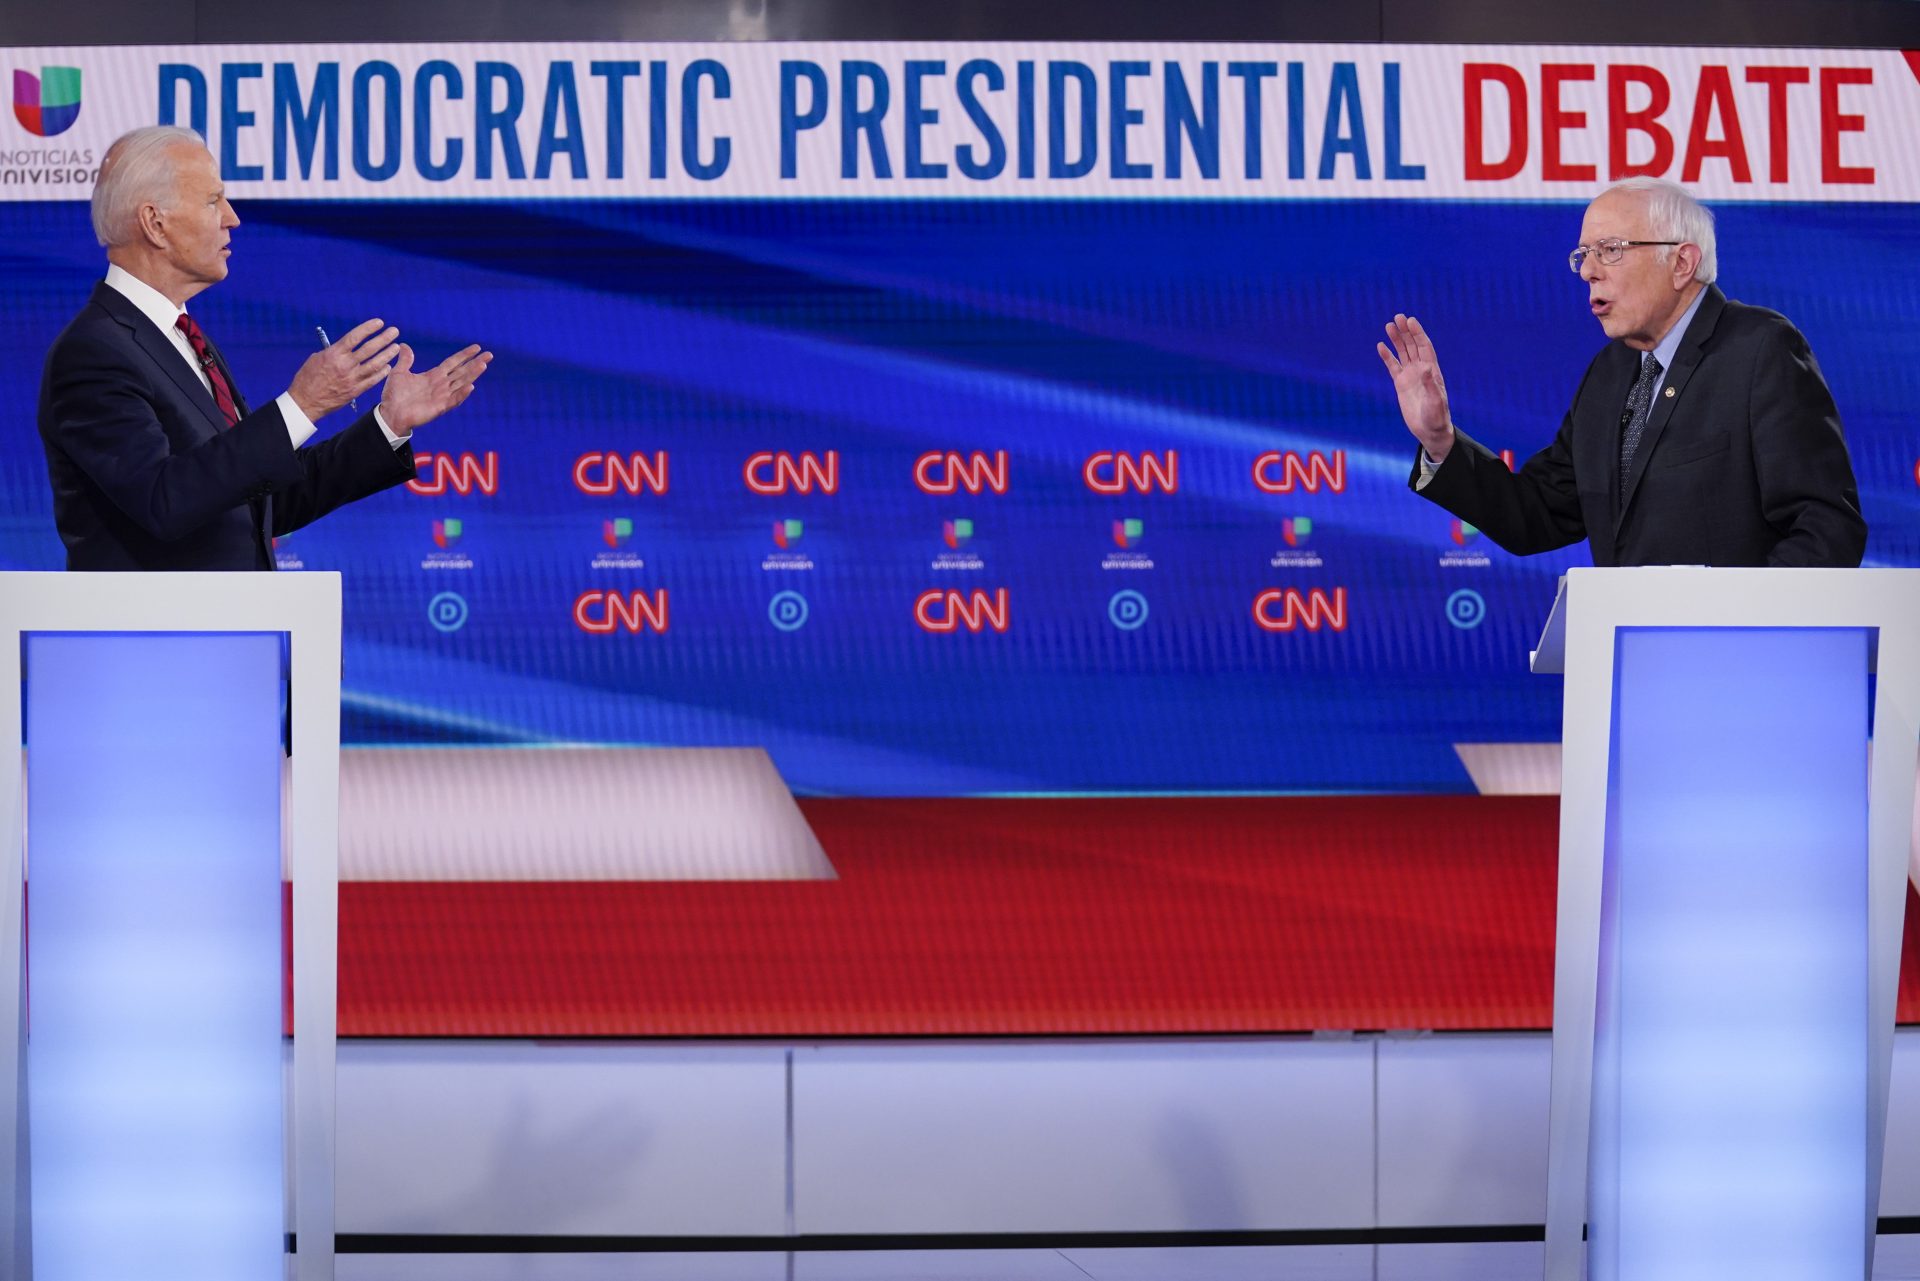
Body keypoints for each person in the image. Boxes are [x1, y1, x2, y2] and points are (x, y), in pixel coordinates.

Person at [38, 125, 493, 571]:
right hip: (160, 639)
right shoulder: (95, 353)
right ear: (155, 223)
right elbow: (164, 500)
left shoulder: (181, 337)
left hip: (237, 636)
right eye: (213, 200)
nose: (232, 217)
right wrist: (302, 404)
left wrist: (387, 425)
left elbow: (259, 502)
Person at [1377, 178, 1865, 568]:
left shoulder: (1759, 349)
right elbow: (1538, 514)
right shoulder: (1609, 376)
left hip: (1739, 671)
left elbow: (1825, 527)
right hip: (1634, 667)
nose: (1589, 271)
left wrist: (1738, 632)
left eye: (1609, 250)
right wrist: (1440, 440)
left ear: (1681, 261)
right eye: (1583, 255)